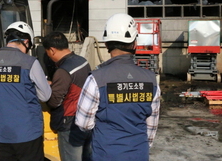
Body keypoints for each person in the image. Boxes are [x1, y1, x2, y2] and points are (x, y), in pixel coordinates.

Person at [75, 13, 161, 161]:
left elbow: (83, 123)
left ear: (107, 44)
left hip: (106, 153)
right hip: (138, 153)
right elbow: (151, 127)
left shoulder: (96, 79)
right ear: (134, 44)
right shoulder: (151, 80)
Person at [0, 21, 51, 161]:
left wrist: (1, 95)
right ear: (26, 42)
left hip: (2, 134)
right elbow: (45, 95)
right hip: (28, 133)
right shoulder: (30, 62)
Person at [42, 31, 92, 161]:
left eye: (47, 51)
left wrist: (46, 89)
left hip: (69, 124)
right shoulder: (82, 61)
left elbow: (54, 102)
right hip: (86, 119)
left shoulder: (63, 71)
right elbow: (74, 87)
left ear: (52, 50)